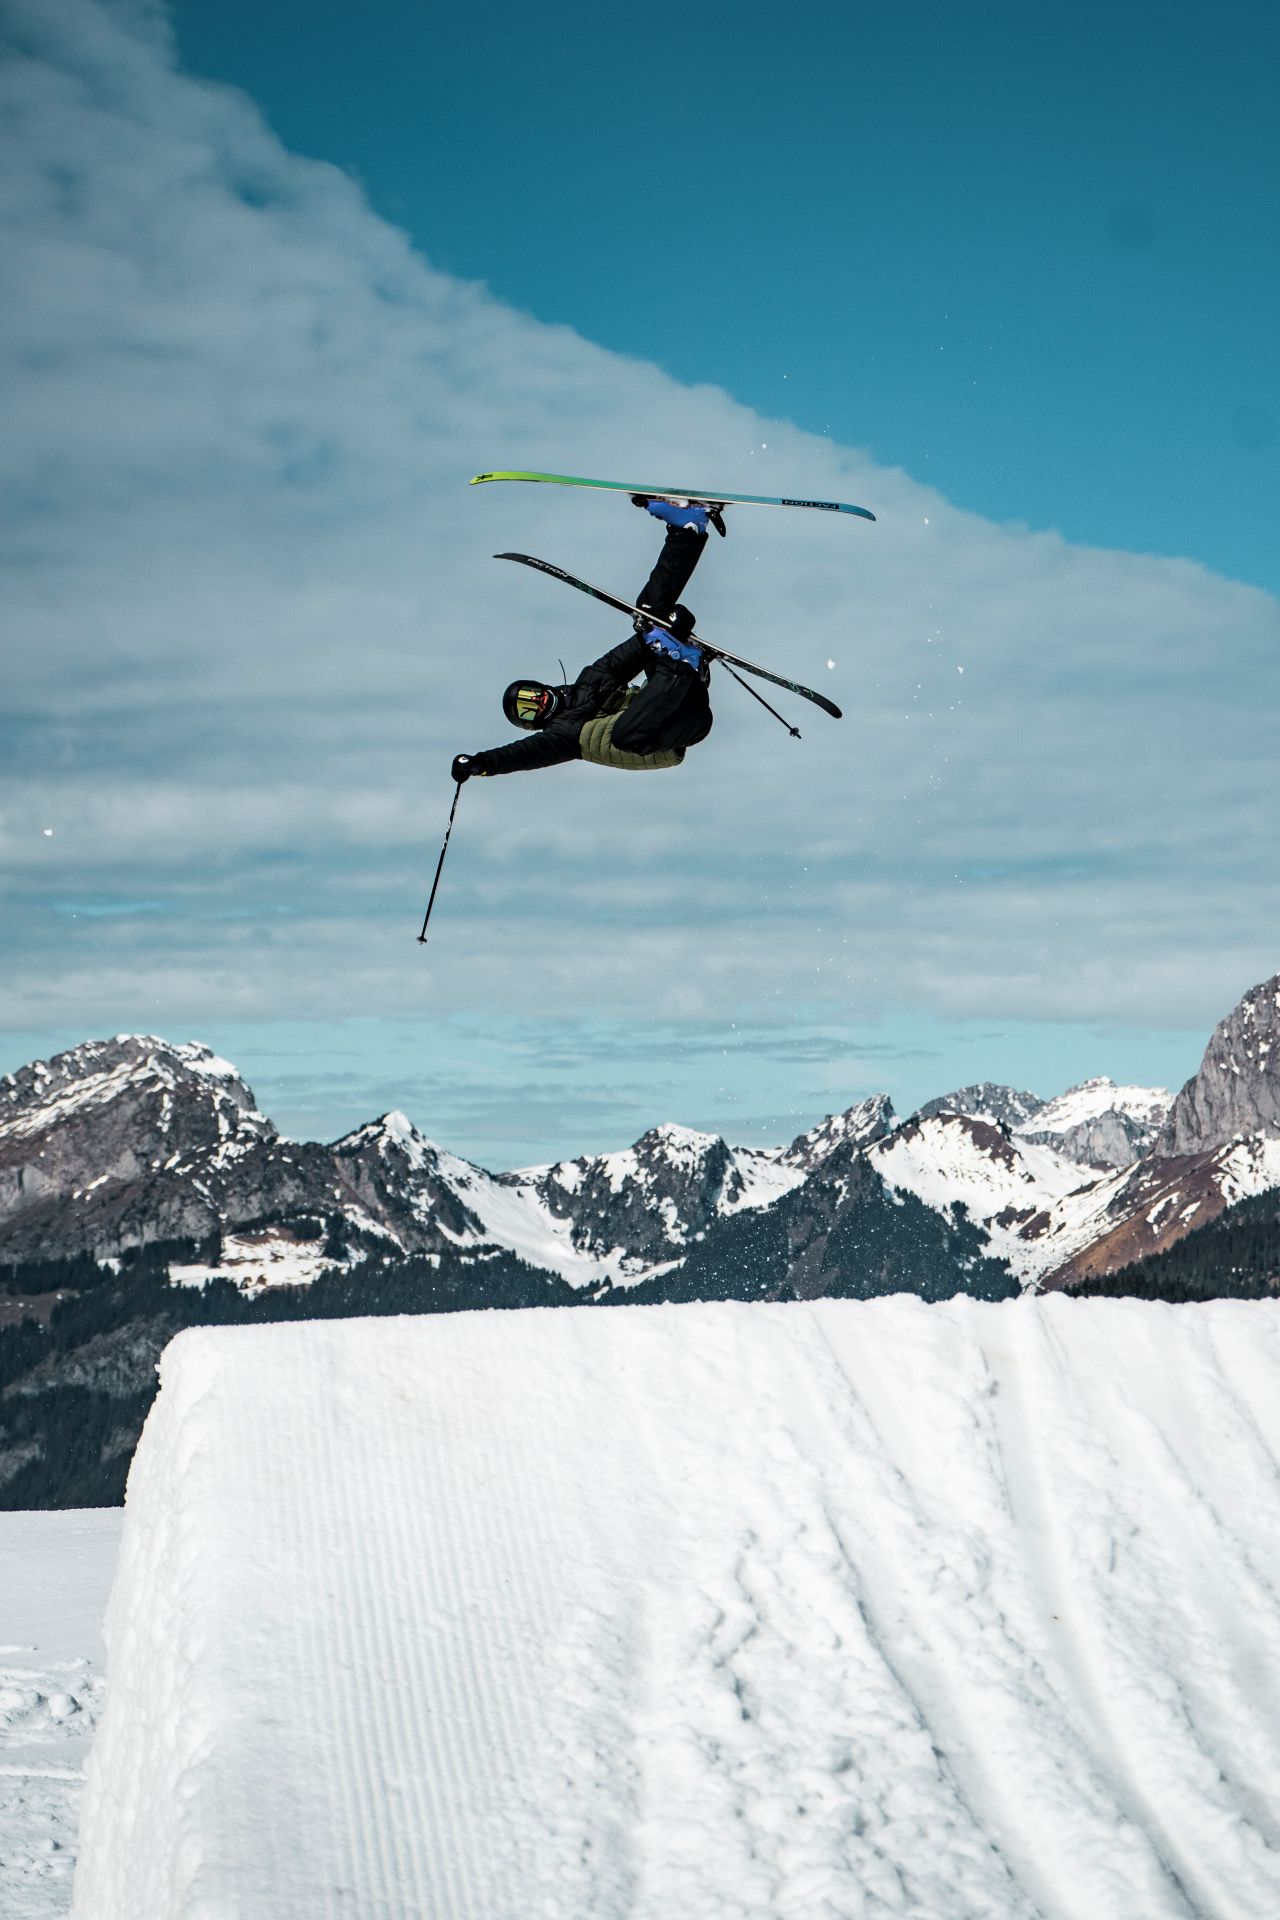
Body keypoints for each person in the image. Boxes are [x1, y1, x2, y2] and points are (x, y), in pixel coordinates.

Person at [451, 500, 720, 781]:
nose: (538, 702)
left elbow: (624, 658)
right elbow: (520, 754)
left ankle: (688, 528)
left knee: (647, 614)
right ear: (531, 724)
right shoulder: (559, 737)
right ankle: (682, 660)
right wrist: (481, 764)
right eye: (528, 710)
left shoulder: (589, 681)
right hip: (681, 728)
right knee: (623, 736)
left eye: (532, 694)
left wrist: (651, 637)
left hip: (676, 692)